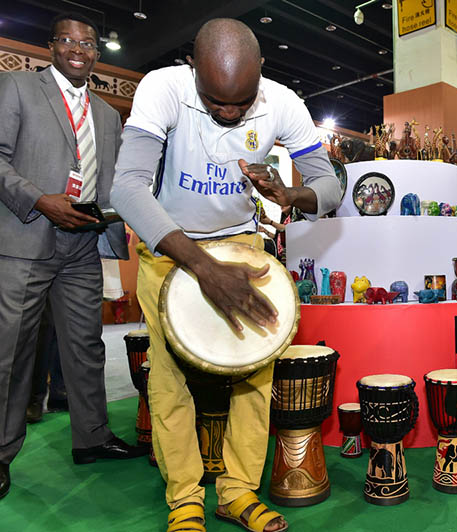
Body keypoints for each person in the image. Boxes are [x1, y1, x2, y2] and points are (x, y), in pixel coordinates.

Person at [110, 18, 341, 532]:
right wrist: (201, 266)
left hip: (240, 244)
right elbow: (127, 190)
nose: (229, 114)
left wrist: (291, 193)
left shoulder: (283, 102)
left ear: (262, 72)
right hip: (171, 245)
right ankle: (185, 498)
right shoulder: (162, 88)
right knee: (168, 379)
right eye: (216, 102)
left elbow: (330, 188)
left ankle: (236, 492)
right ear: (192, 69)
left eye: (241, 102)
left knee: (256, 374)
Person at [0, 12, 146, 500]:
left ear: (96, 54)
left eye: (88, 43)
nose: (79, 48)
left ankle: (93, 437)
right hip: (25, 240)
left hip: (83, 244)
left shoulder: (106, 115)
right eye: (68, 40)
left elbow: (114, 185)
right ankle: (1, 454)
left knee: (86, 348)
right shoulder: (18, 87)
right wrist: (39, 199)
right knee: (12, 352)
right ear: (52, 46)